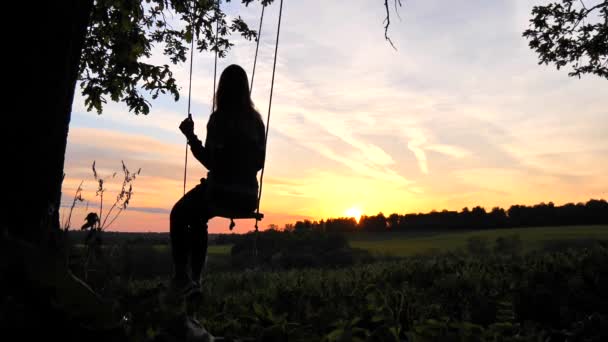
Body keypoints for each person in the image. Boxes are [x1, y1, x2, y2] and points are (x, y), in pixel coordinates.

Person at [170, 64, 266, 294]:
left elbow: (211, 162)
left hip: (220, 192)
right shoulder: (256, 121)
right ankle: (194, 282)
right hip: (247, 197)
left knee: (179, 214)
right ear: (246, 89)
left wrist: (191, 137)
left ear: (221, 89)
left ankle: (185, 278)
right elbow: (259, 163)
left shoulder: (219, 119)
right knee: (198, 218)